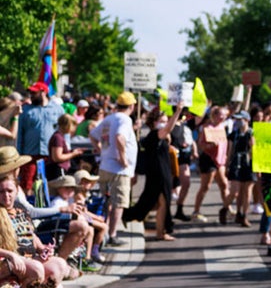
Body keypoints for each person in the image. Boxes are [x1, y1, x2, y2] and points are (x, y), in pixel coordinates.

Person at [123, 107, 183, 241]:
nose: (165, 123)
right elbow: (167, 129)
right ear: (154, 122)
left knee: (155, 203)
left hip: (163, 173)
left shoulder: (160, 137)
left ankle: (157, 229)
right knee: (161, 203)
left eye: (166, 121)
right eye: (162, 121)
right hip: (158, 174)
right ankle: (160, 232)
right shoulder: (154, 135)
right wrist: (178, 111)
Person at [89, 91, 138, 246]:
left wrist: (100, 150)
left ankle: (102, 234)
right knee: (118, 203)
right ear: (131, 106)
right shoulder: (125, 120)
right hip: (119, 170)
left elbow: (93, 134)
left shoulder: (109, 118)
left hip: (105, 166)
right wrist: (123, 159)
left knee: (106, 201)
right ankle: (112, 234)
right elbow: (119, 137)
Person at [15, 83, 64, 194]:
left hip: (50, 154)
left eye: (34, 92)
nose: (31, 95)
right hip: (29, 154)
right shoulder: (25, 110)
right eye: (31, 92)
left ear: (43, 92)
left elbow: (64, 132)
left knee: (50, 184)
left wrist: (66, 149)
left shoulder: (57, 109)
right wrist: (19, 155)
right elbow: (20, 134)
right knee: (27, 184)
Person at [191, 106, 230, 223]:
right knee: (205, 186)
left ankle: (227, 207)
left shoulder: (223, 127)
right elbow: (201, 145)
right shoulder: (207, 128)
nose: (222, 117)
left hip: (220, 160)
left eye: (224, 115)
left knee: (224, 184)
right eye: (220, 115)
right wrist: (210, 146)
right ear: (214, 116)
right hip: (208, 160)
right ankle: (196, 211)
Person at [227, 111, 255, 227]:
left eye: (240, 119)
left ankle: (244, 215)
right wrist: (227, 164)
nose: (238, 121)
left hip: (249, 163)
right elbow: (230, 150)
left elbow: (255, 150)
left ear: (247, 120)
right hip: (237, 163)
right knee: (238, 191)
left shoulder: (252, 133)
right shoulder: (235, 134)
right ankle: (238, 212)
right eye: (237, 119)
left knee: (247, 192)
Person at [47, 115, 84, 181]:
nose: (74, 128)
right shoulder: (57, 138)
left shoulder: (60, 136)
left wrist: (73, 152)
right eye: (73, 125)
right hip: (57, 170)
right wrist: (73, 154)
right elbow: (57, 157)